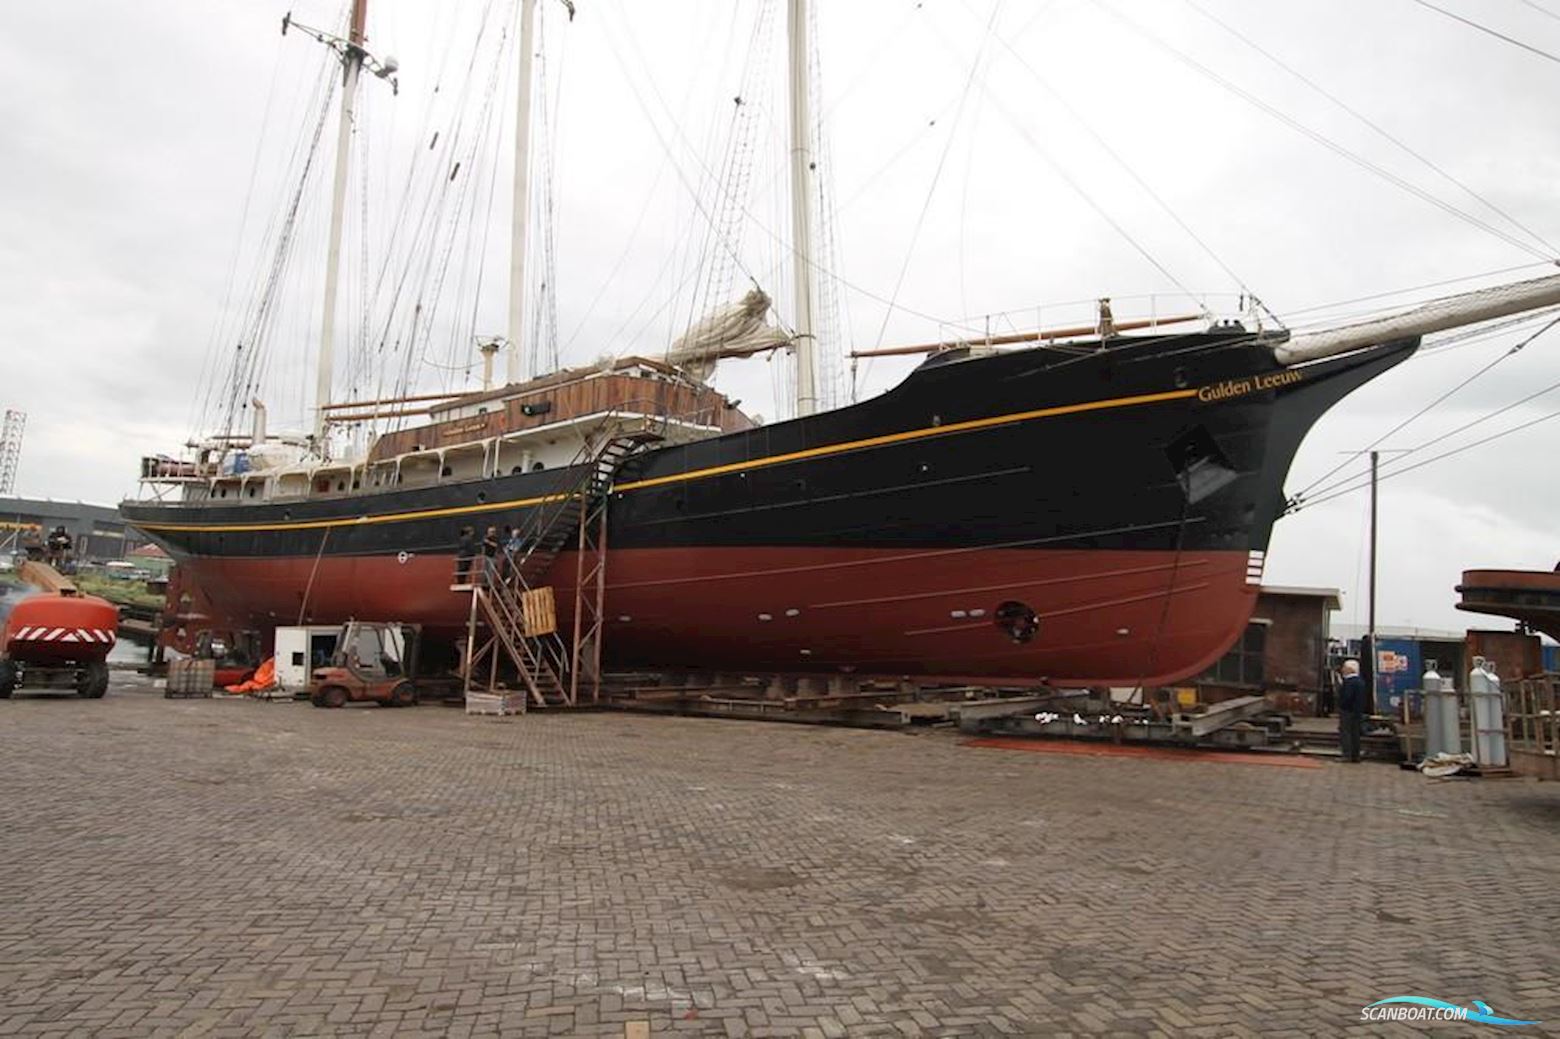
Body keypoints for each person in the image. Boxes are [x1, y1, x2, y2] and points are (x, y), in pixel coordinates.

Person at [1337, 658, 1366, 763]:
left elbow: (1347, 697)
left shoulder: (1349, 682)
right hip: (1357, 712)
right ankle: (1355, 755)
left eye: (1345, 668)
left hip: (1347, 711)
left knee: (1346, 733)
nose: (1342, 670)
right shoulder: (1360, 682)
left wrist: (1341, 705)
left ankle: (1347, 754)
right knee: (1355, 733)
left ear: (1350, 669)